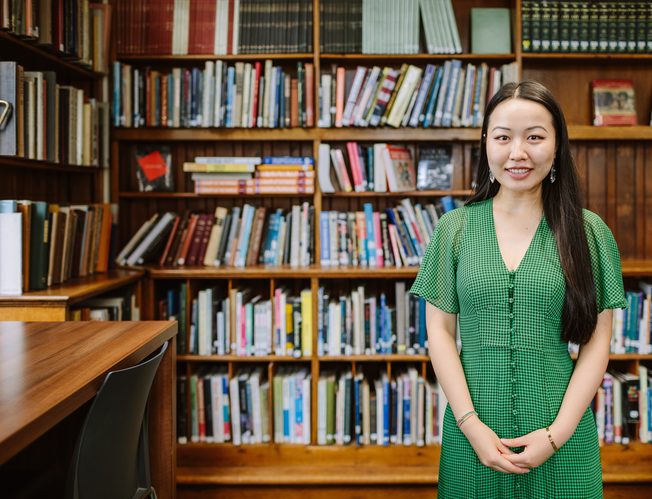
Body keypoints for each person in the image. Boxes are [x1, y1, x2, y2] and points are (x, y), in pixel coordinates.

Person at [409, 80, 627, 498]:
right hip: (472, 439)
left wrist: (555, 436)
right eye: (503, 137)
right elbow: (439, 332)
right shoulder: (453, 229)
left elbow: (598, 342)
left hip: (562, 439)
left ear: (557, 146)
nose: (517, 153)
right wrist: (470, 426)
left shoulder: (589, 232)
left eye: (535, 137)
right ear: (486, 143)